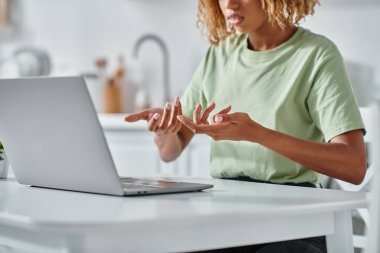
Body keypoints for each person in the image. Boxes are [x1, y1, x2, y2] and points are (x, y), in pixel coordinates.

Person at [125, 0, 367, 252]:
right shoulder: (219, 55)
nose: (229, 4)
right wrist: (166, 131)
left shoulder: (316, 54)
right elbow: (169, 151)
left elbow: (353, 164)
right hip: (226, 216)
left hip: (295, 223)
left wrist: (256, 134)